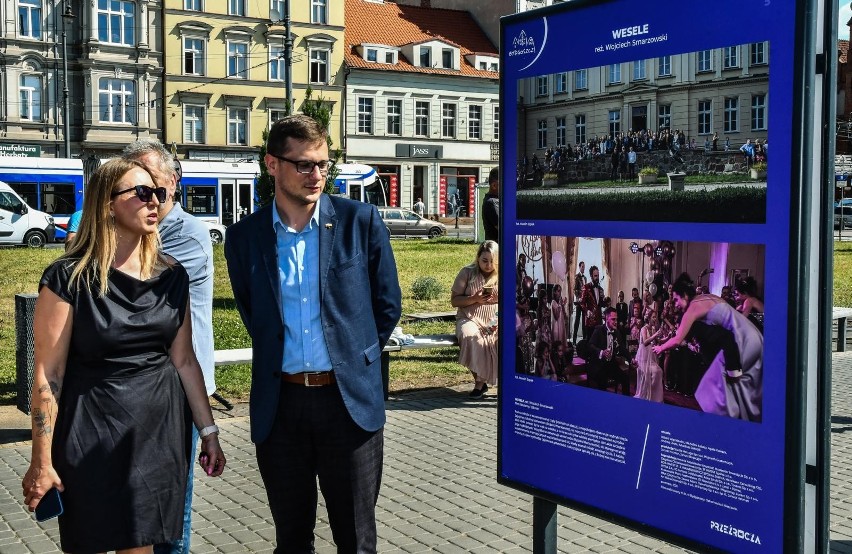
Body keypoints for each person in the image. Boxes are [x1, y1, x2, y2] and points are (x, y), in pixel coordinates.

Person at [22, 158, 225, 554]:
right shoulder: (68, 278)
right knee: (91, 541)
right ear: (107, 204)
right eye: (142, 193)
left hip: (156, 436)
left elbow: (184, 360)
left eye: (160, 194)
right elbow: (49, 375)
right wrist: (40, 460)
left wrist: (209, 433)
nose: (155, 202)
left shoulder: (172, 276)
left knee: (141, 546)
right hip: (90, 434)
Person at [224, 114, 402, 552]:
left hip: (347, 405)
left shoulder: (359, 222)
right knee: (292, 539)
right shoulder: (245, 237)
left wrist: (354, 359)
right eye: (304, 164)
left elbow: (387, 304)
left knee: (356, 540)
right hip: (281, 407)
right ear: (272, 164)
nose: (317, 174)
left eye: (324, 164)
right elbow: (255, 314)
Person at [122, 139, 216, 554]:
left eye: (152, 183)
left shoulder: (187, 235)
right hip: (132, 390)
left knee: (170, 512)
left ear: (173, 183)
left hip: (179, 390)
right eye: (135, 185)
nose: (146, 194)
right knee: (136, 508)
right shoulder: (128, 233)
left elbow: (136, 293)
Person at [653, 273, 763, 422]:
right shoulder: (706, 297)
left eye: (676, 299)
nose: (675, 304)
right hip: (749, 336)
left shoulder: (692, 309)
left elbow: (677, 339)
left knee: (716, 388)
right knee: (729, 387)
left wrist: (660, 348)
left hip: (743, 341)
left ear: (685, 295)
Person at [452, 240, 499, 398]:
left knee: (499, 340)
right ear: (478, 258)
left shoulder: (503, 274)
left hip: (495, 317)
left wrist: (496, 302)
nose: (488, 265)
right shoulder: (467, 272)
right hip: (469, 317)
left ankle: (501, 382)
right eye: (484, 261)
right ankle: (480, 383)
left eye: (492, 261)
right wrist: (474, 298)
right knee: (470, 336)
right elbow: (454, 301)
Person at [587, 307, 630, 395]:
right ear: (607, 318)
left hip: (611, 364)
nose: (616, 322)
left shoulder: (617, 332)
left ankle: (626, 403)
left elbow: (622, 349)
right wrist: (601, 352)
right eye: (613, 319)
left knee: (625, 377)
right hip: (599, 364)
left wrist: (631, 359)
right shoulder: (598, 329)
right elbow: (590, 345)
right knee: (602, 379)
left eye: (616, 319)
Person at [634, 312, 664, 402]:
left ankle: (654, 397)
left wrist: (669, 337)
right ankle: (647, 395)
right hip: (642, 359)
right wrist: (655, 335)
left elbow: (659, 341)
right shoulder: (644, 328)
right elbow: (645, 342)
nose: (655, 319)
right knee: (655, 372)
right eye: (654, 317)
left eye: (656, 317)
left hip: (650, 359)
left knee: (659, 371)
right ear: (649, 318)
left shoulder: (653, 328)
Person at [580, 265, 604, 341]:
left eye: (598, 275)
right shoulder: (586, 287)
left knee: (598, 342)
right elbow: (582, 303)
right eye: (595, 276)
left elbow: (601, 304)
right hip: (590, 321)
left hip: (599, 321)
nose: (597, 278)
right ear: (591, 276)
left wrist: (605, 300)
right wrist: (587, 311)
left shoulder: (600, 289)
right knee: (590, 342)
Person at [482, 167, 499, 242]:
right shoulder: (492, 202)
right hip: (497, 250)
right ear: (494, 185)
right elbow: (505, 229)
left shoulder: (495, 201)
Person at [572, 261, 587, 344]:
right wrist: (579, 295)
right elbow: (575, 289)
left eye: (584, 267)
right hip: (579, 302)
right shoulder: (576, 277)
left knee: (584, 320)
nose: (583, 268)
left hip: (584, 302)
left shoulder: (585, 278)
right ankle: (574, 340)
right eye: (582, 267)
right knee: (577, 320)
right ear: (579, 267)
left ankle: (585, 339)